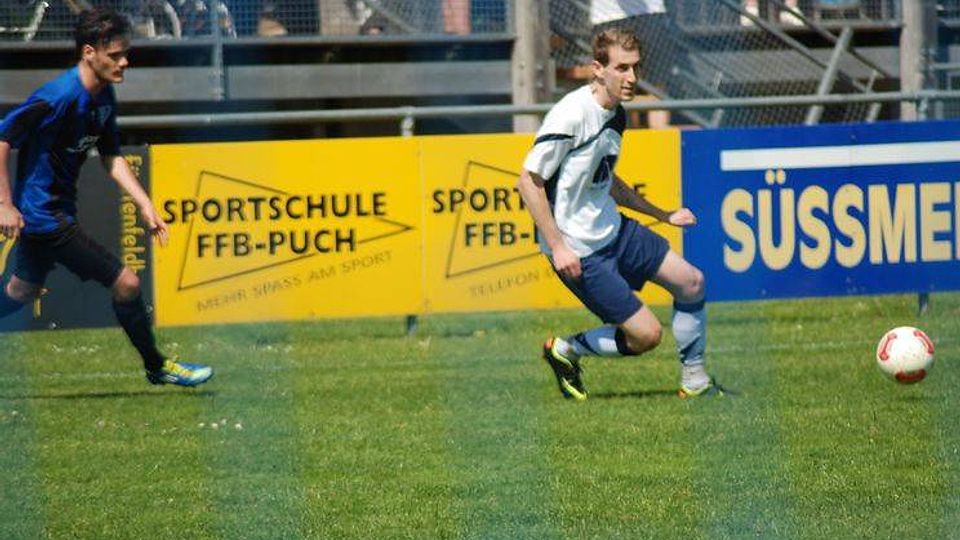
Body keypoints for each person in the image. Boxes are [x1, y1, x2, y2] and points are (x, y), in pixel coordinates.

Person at [0, 8, 213, 387]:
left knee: (20, 291)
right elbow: (3, 137)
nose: (124, 61)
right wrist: (4, 204)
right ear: (88, 53)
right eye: (115, 55)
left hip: (54, 212)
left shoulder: (103, 97)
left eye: (125, 53)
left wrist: (145, 204)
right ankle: (157, 366)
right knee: (128, 283)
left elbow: (111, 156)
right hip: (46, 217)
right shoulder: (59, 96)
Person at [516, 27, 720, 400]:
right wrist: (559, 247)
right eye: (622, 68)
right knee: (646, 336)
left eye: (636, 68)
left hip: (614, 230)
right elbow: (528, 181)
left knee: (691, 282)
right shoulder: (571, 115)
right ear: (598, 68)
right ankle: (567, 350)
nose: (632, 78)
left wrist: (662, 214)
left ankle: (696, 381)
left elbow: (606, 179)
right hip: (580, 250)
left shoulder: (616, 114)